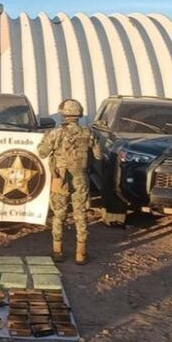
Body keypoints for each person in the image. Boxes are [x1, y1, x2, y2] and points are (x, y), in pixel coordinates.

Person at [37, 98, 101, 265]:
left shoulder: (55, 133)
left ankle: (57, 252)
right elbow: (98, 156)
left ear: (63, 114)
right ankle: (81, 254)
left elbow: (42, 153)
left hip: (61, 179)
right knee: (80, 215)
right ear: (79, 115)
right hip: (81, 178)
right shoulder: (89, 133)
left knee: (59, 215)